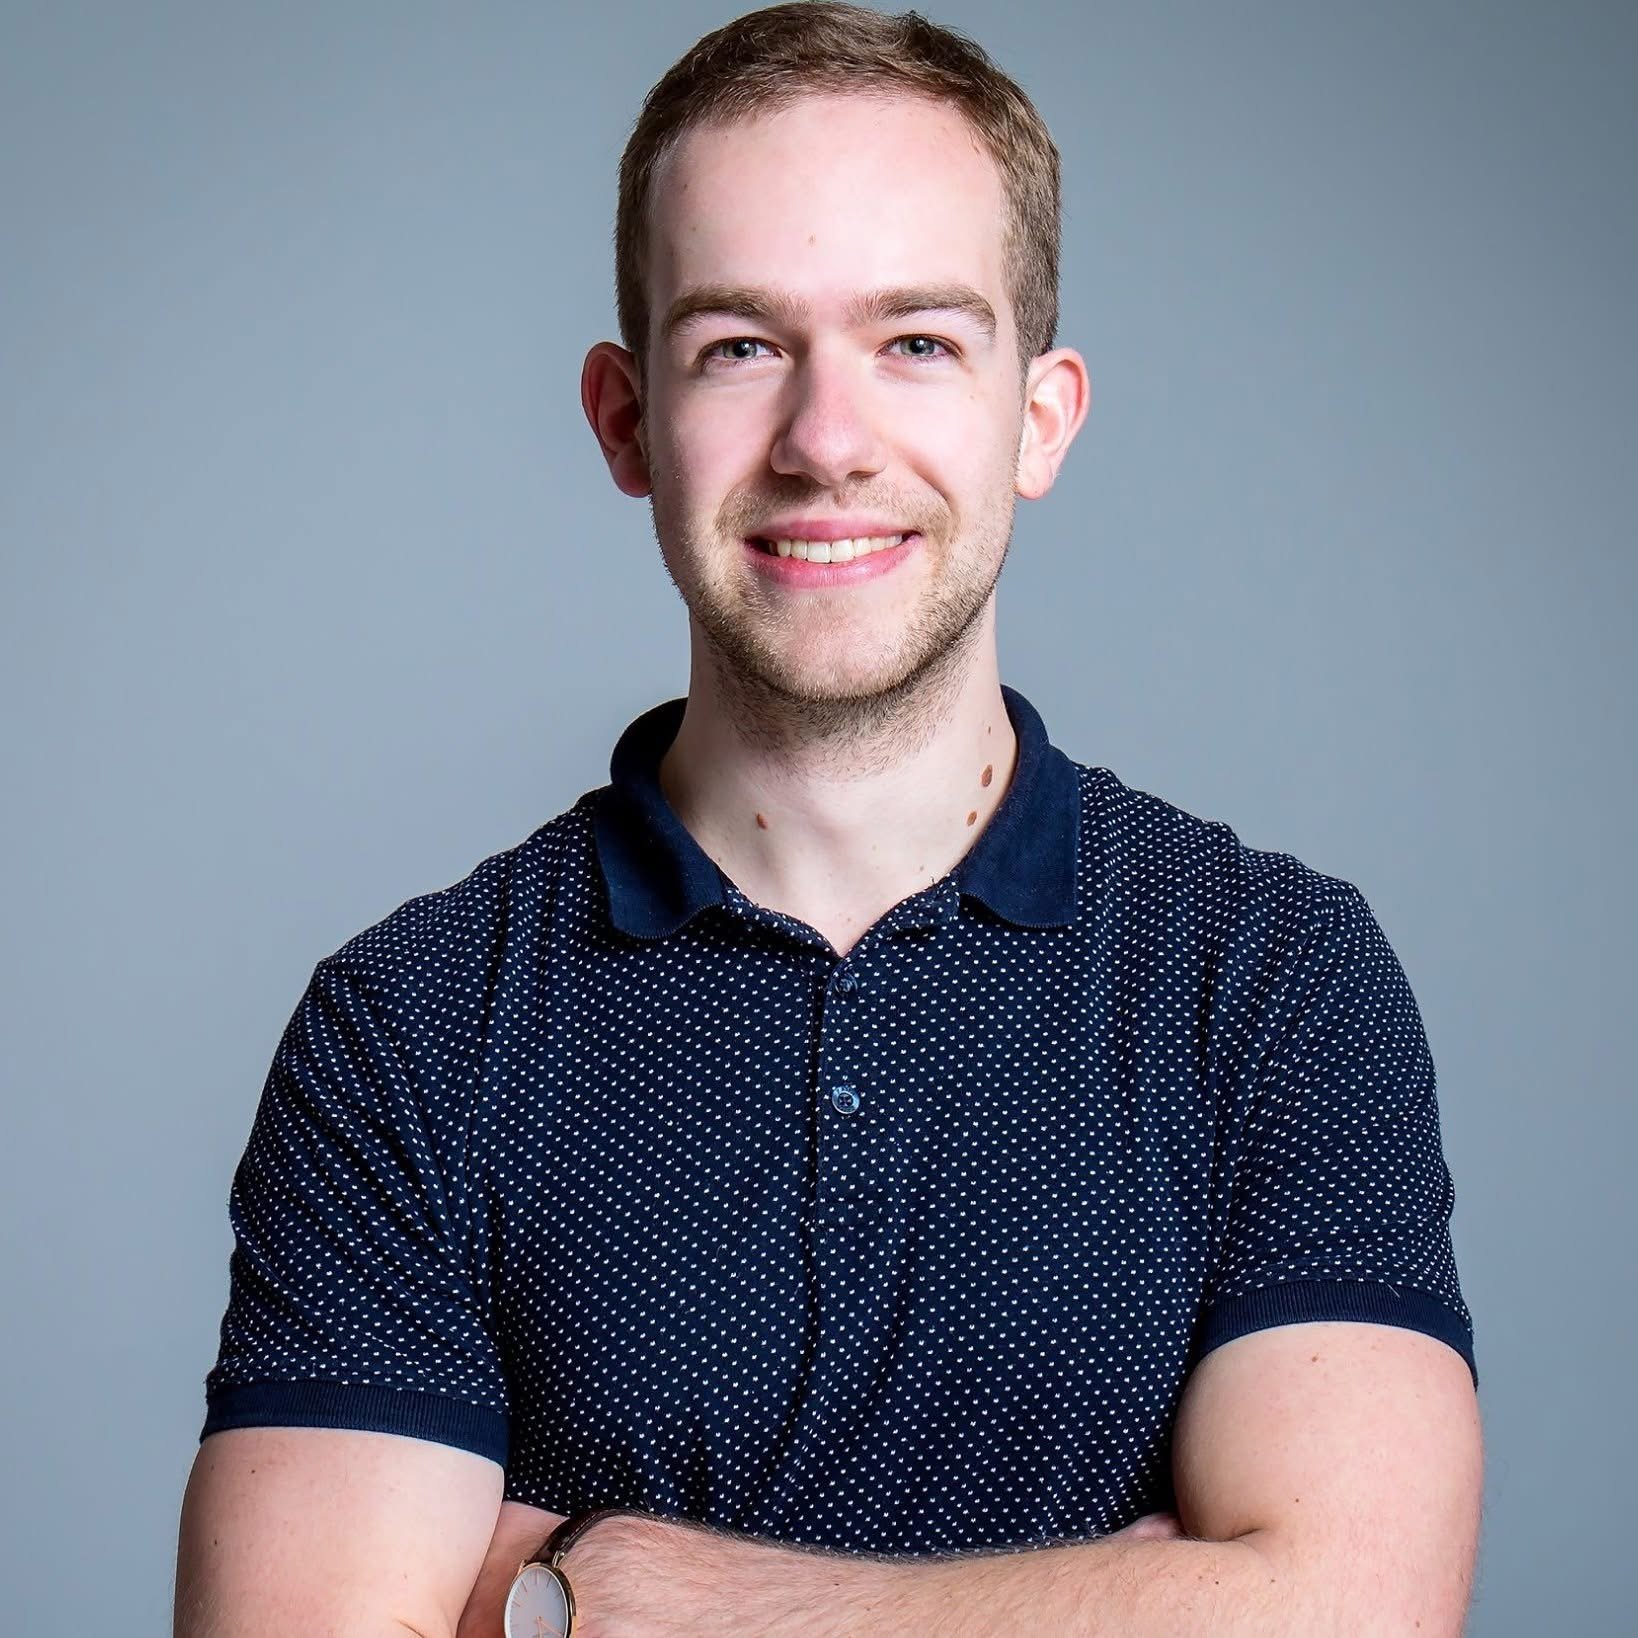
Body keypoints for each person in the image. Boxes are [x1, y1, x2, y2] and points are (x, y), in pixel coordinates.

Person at [173, 5, 1483, 1633]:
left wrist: (645, 1595)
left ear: (1039, 415)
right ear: (626, 419)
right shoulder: (414, 1029)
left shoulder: (1272, 974)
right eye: (740, 345)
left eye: (915, 341)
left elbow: (1356, 1613)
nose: (825, 442)